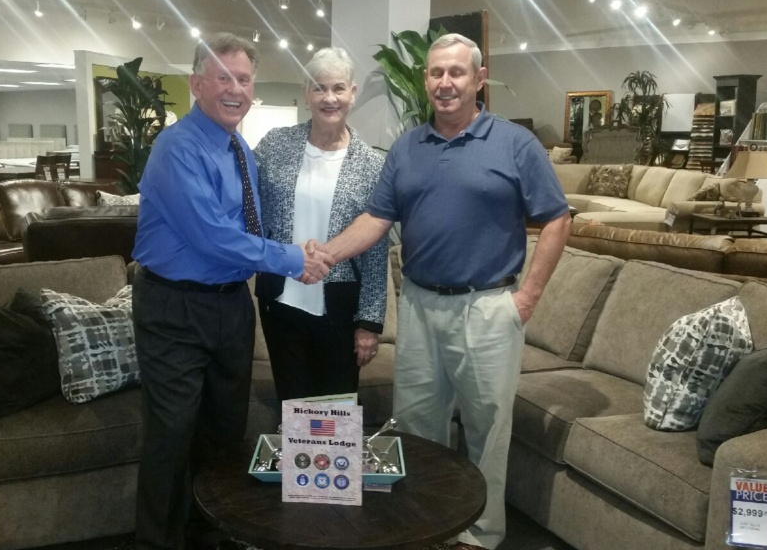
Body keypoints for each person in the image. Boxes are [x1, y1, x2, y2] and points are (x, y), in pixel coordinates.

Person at [321, 33, 571, 550]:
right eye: (436, 72)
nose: (445, 82)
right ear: (426, 79)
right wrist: (324, 255)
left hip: (487, 306)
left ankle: (479, 537)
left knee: (486, 430)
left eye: (456, 72)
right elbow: (375, 219)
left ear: (479, 79)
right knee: (416, 429)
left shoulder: (515, 144)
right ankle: (424, 528)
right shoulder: (407, 148)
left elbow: (557, 218)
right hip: (418, 303)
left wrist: (527, 297)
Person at [131, 32, 334, 550]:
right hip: (174, 308)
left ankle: (209, 536)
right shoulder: (177, 148)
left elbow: (250, 228)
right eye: (223, 78)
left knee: (224, 433)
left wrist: (303, 249)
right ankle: (158, 543)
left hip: (231, 307)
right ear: (197, 84)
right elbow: (212, 236)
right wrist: (294, 259)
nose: (235, 89)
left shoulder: (240, 148)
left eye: (243, 79)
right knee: (171, 435)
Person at [252, 47, 389, 401]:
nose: (329, 98)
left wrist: (369, 322)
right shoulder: (275, 145)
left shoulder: (372, 165)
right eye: (319, 88)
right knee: (292, 405)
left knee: (334, 409)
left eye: (338, 88)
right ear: (306, 93)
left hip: (341, 307)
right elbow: (246, 205)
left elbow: (376, 252)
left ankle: (329, 445)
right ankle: (295, 444)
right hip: (280, 301)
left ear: (352, 93)